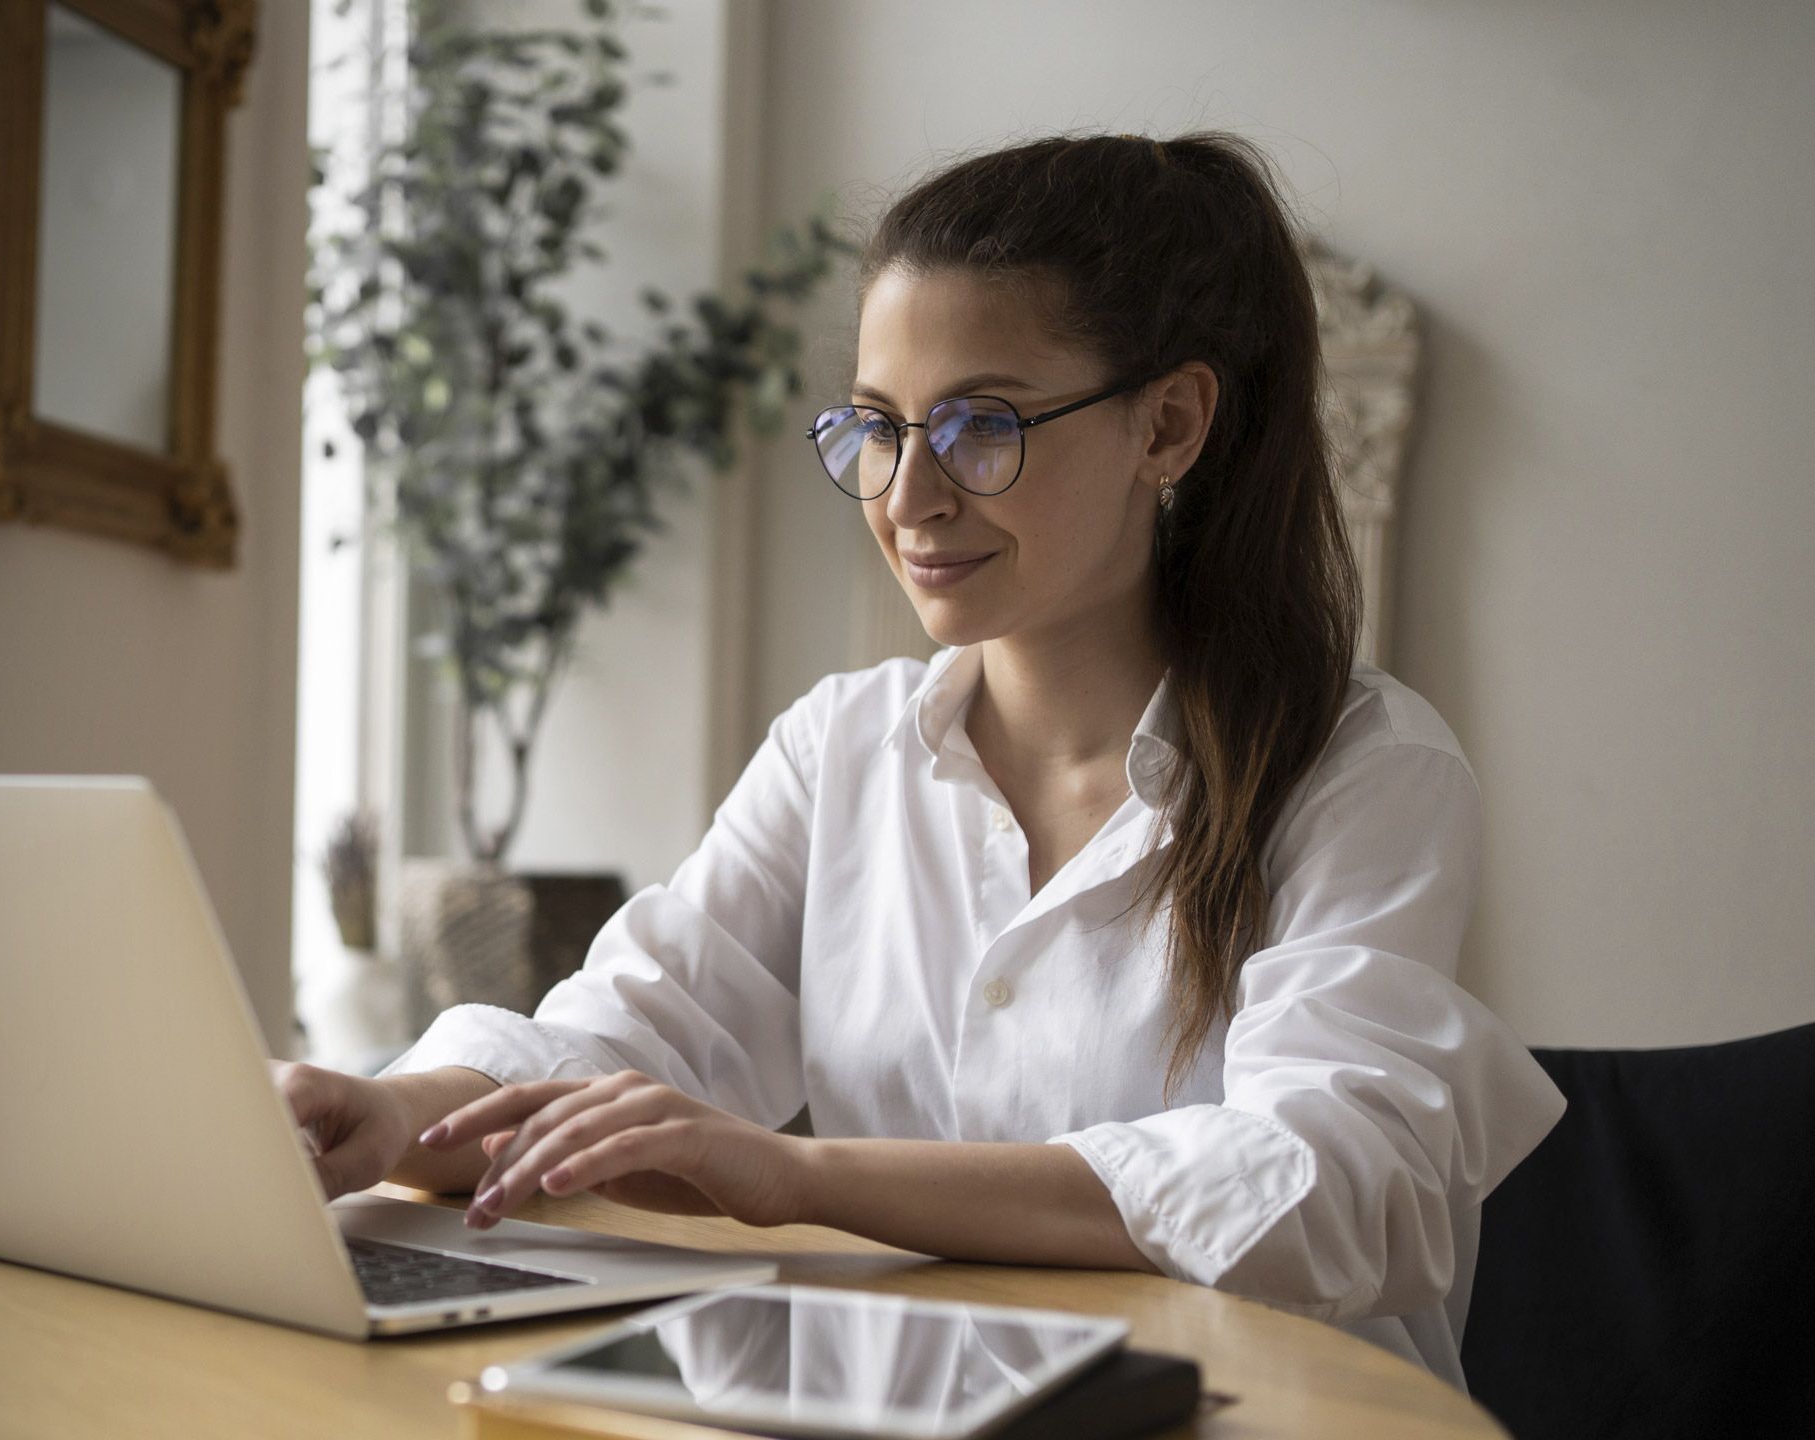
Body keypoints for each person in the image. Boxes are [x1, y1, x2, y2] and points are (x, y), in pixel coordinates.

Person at [269, 131, 1562, 1391]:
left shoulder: (1363, 769)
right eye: (879, 427)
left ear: (1169, 427)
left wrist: (807, 1177)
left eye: (981, 427)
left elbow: (1330, 1186)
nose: (908, 498)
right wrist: (392, 1118)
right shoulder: (842, 748)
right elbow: (631, 1037)